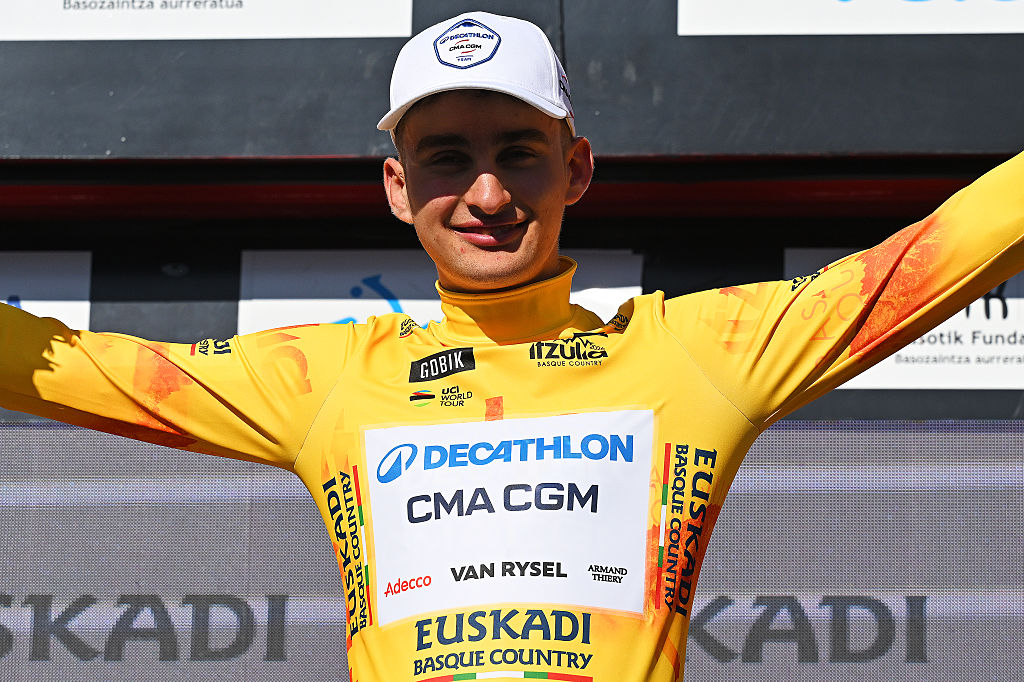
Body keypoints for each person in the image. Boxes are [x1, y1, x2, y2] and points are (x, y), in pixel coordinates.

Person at [1, 10, 1022, 682]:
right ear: (397, 187)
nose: (486, 194)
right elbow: (60, 366)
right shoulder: (324, 381)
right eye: (447, 159)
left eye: (518, 155)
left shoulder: (697, 353)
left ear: (575, 168)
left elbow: (938, 255)